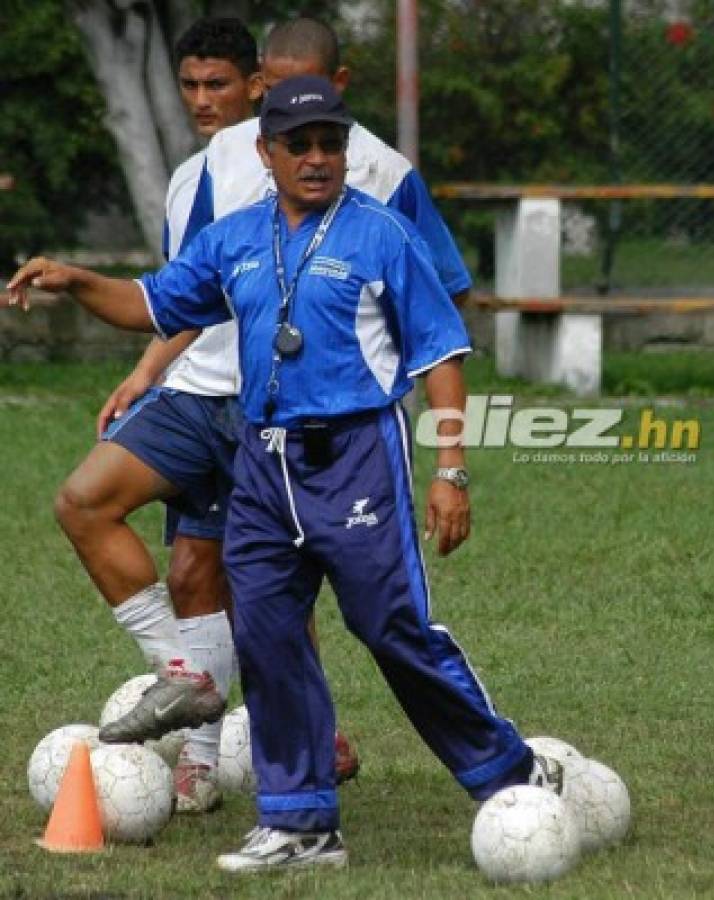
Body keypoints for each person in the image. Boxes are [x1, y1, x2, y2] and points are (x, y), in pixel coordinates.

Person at [7, 75, 558, 874]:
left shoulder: (380, 236)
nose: (316, 157)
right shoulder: (235, 239)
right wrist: (77, 281)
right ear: (265, 152)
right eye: (298, 144)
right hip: (261, 464)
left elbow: (441, 353)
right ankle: (301, 823)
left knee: (391, 631)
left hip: (357, 460)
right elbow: (154, 305)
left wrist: (452, 472)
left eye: (330, 143)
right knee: (267, 637)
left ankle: (511, 771)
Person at [72, 16, 470, 802]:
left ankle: (469, 764)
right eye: (271, 94)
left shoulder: (385, 182)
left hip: (325, 428)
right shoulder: (217, 163)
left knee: (333, 606)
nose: (287, 116)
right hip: (207, 397)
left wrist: (445, 448)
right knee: (200, 566)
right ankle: (225, 739)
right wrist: (151, 366)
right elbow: (189, 291)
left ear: (340, 94)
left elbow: (440, 300)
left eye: (309, 109)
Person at [52, 17, 262, 815]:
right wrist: (145, 370)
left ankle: (301, 742)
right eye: (191, 85)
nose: (203, 100)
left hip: (262, 407)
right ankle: (190, 696)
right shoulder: (185, 178)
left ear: (256, 86)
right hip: (190, 396)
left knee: (263, 590)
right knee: (87, 502)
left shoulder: (281, 169)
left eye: (219, 85)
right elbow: (183, 295)